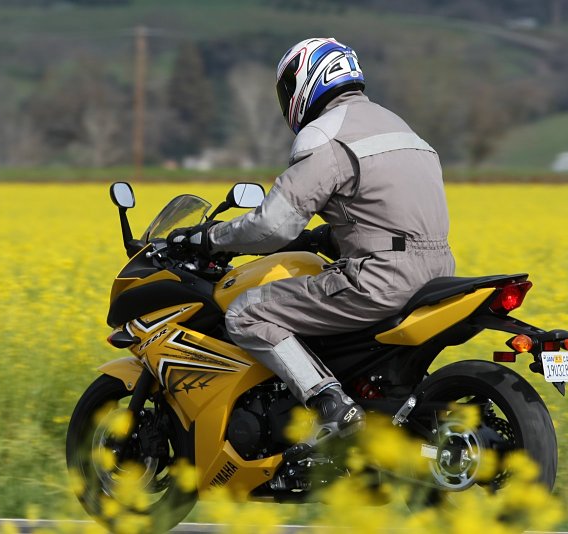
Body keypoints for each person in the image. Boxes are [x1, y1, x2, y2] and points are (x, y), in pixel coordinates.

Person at [168, 37, 455, 455]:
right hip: (440, 274)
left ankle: (329, 403)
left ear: (308, 80)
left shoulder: (326, 135)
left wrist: (210, 239)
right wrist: (328, 237)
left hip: (382, 279)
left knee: (246, 313)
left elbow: (272, 226)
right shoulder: (398, 126)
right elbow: (391, 214)